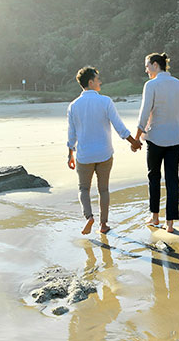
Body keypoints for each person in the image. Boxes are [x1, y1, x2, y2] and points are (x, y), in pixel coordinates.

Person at [67, 66, 141, 234]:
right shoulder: (105, 101)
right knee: (104, 189)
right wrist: (133, 142)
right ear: (90, 82)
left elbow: (72, 135)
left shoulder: (73, 106)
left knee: (83, 189)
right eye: (97, 79)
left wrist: (70, 153)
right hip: (104, 154)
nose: (100, 82)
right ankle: (103, 224)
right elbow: (119, 127)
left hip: (84, 155)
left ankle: (89, 217)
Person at [135, 53, 179, 233]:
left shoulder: (151, 85)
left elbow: (145, 111)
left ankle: (155, 217)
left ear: (155, 65)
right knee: (172, 179)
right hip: (175, 138)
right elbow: (178, 112)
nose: (146, 70)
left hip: (155, 138)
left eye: (147, 66)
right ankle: (170, 223)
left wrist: (136, 136)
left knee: (153, 177)